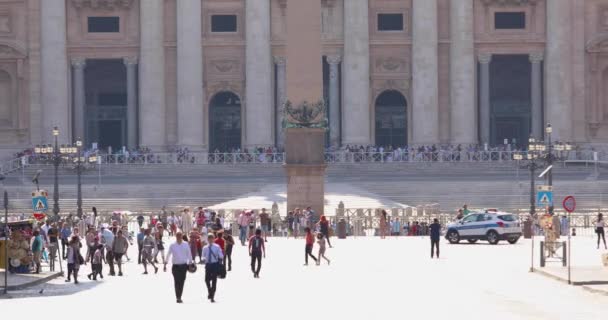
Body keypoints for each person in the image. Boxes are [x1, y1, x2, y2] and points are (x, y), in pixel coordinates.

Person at [164, 232, 192, 303]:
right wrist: (165, 263)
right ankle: (178, 297)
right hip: (175, 267)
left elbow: (189, 254)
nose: (179, 237)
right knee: (176, 282)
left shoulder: (186, 244)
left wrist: (190, 263)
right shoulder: (172, 245)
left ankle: (180, 295)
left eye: (180, 236)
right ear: (176, 237)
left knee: (182, 281)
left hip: (184, 266)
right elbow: (168, 254)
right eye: (177, 236)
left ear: (182, 236)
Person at [203, 233, 224, 303]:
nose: (210, 240)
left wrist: (220, 256)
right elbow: (203, 256)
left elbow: (221, 255)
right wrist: (204, 259)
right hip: (208, 265)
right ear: (208, 239)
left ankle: (212, 296)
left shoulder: (217, 247)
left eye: (212, 238)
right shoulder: (205, 247)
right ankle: (210, 290)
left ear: (213, 239)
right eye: (209, 239)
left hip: (215, 265)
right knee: (206, 280)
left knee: (214, 281)